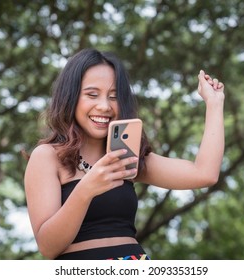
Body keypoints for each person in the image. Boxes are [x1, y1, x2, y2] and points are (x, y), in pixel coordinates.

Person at [24, 48, 225, 260]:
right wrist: (86, 190)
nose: (104, 106)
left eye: (114, 96)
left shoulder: (125, 155)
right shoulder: (47, 157)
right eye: (92, 95)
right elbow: (48, 247)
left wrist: (214, 103)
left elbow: (204, 174)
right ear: (70, 97)